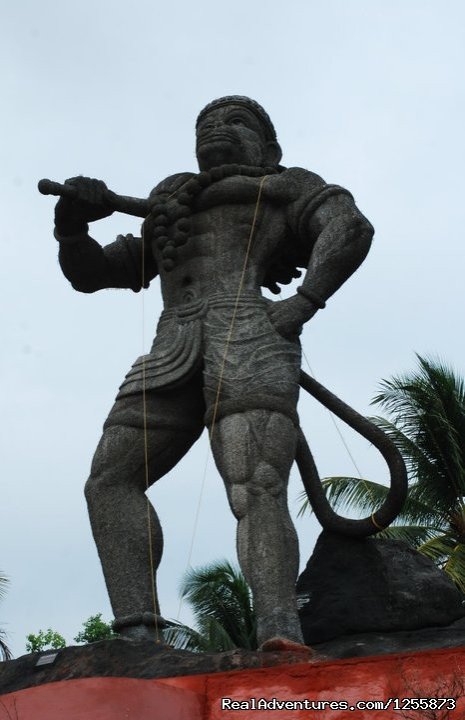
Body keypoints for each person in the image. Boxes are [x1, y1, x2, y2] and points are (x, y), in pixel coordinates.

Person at [54, 96, 373, 648]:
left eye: (235, 120)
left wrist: (303, 302)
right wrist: (71, 227)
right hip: (171, 345)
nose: (216, 128)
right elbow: (92, 274)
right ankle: (137, 631)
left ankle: (279, 629)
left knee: (256, 486)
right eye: (205, 123)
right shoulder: (172, 202)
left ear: (268, 146)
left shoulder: (285, 184)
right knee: (109, 480)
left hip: (249, 335)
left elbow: (349, 227)